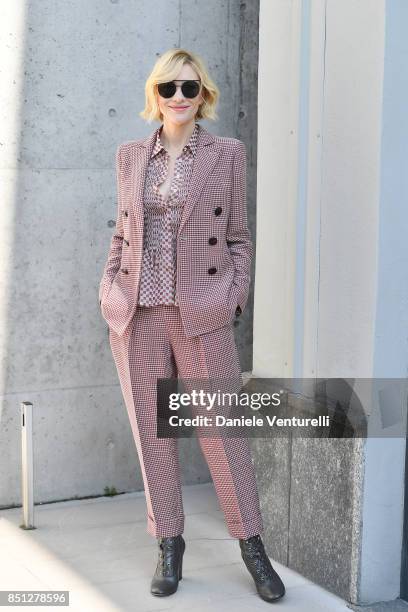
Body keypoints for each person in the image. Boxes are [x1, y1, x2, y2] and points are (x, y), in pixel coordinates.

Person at [98, 48, 285, 603]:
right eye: (168, 88)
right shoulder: (130, 156)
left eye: (189, 88)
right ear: (154, 96)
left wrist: (228, 299)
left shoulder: (226, 154)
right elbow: (120, 233)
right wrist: (109, 290)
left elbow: (239, 240)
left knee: (222, 435)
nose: (178, 98)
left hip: (201, 313)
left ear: (204, 95)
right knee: (152, 434)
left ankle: (253, 547)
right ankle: (169, 544)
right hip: (137, 313)